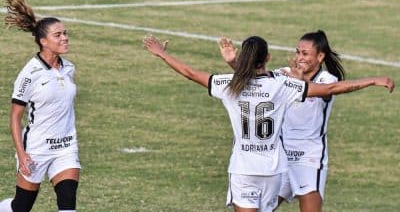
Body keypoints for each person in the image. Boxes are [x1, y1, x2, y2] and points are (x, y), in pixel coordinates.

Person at [143, 35, 394, 212]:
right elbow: (331, 87)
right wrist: (372, 80)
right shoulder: (282, 85)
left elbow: (190, 73)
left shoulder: (229, 84)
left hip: (243, 170)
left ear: (244, 59)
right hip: (273, 170)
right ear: (268, 57)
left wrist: (162, 53)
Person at [219, 31, 345, 212]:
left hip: (308, 158)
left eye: (305, 53)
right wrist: (233, 63)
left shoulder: (327, 79)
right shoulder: (283, 74)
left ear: (320, 56)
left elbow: (327, 91)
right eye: (297, 52)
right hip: (281, 156)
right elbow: (256, 80)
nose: (299, 57)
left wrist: (301, 84)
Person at [0, 0, 80, 212]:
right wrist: (22, 154)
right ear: (44, 41)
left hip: (66, 146)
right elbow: (15, 116)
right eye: (58, 35)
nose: (65, 38)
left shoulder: (69, 68)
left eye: (65, 33)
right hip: (36, 149)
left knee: (67, 203)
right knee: (21, 207)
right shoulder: (29, 74)